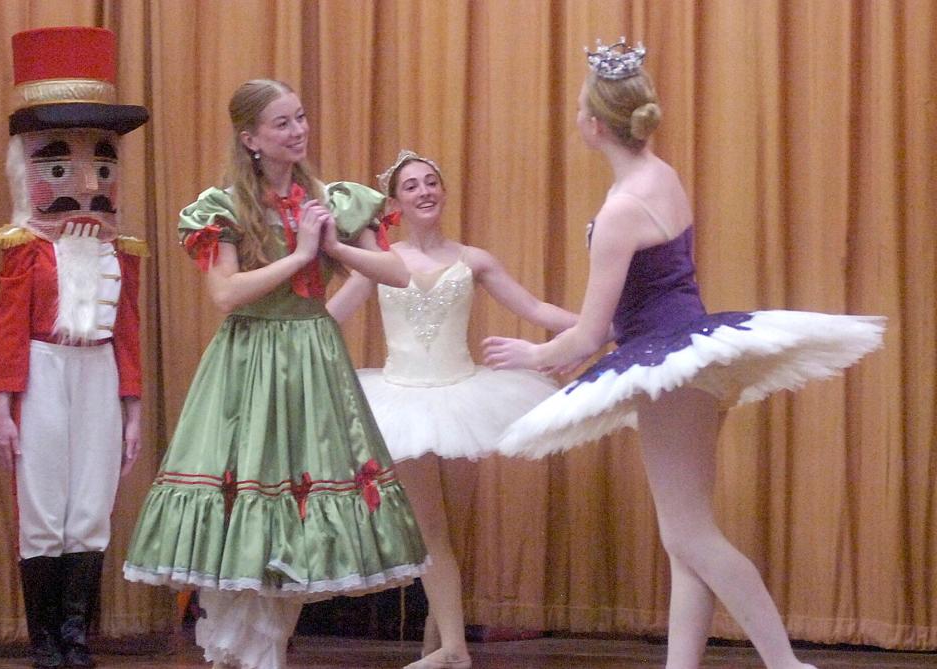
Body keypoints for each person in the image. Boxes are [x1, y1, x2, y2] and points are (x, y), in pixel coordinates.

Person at [483, 39, 885, 669]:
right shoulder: (661, 176)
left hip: (670, 373)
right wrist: (552, 338)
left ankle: (788, 664)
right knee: (683, 539)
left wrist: (534, 354)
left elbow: (592, 337)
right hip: (688, 356)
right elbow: (628, 317)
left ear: (593, 126)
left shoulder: (620, 208)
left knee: (692, 534)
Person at [122, 79, 427, 669]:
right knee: (248, 502)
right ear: (251, 138)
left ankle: (271, 652)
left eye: (301, 117)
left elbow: (395, 271)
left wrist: (333, 246)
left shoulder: (334, 199)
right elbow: (227, 294)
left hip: (313, 363)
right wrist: (297, 254)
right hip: (249, 361)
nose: (298, 131)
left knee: (302, 507)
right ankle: (245, 652)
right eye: (282, 123)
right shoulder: (227, 205)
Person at [327, 150, 576, 669]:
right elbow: (329, 318)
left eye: (431, 182)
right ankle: (456, 652)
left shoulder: (474, 259)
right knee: (431, 529)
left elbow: (533, 309)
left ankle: (436, 646)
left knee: (448, 532)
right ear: (395, 202)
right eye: (412, 186)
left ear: (443, 191)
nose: (424, 191)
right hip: (402, 402)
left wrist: (601, 324)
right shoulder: (382, 263)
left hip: (465, 397)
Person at [0, 27, 148, 669]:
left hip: (100, 374)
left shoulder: (121, 252)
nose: (84, 183)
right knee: (43, 507)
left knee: (89, 506)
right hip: (44, 371)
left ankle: (76, 636)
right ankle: (44, 641)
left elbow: (129, 330)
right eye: (59, 167)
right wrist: (4, 406)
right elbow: (7, 328)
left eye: (101, 165)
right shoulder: (23, 249)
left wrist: (133, 409)